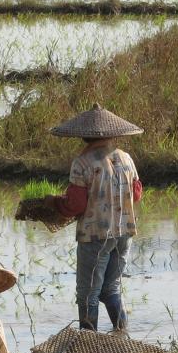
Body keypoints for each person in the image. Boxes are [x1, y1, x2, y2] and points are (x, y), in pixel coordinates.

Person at [46, 104, 144, 332]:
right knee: (111, 288)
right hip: (124, 232)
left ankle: (88, 345)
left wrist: (53, 203)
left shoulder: (82, 163)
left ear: (83, 135)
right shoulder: (126, 158)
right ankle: (122, 332)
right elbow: (137, 194)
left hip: (95, 235)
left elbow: (75, 205)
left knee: (88, 294)